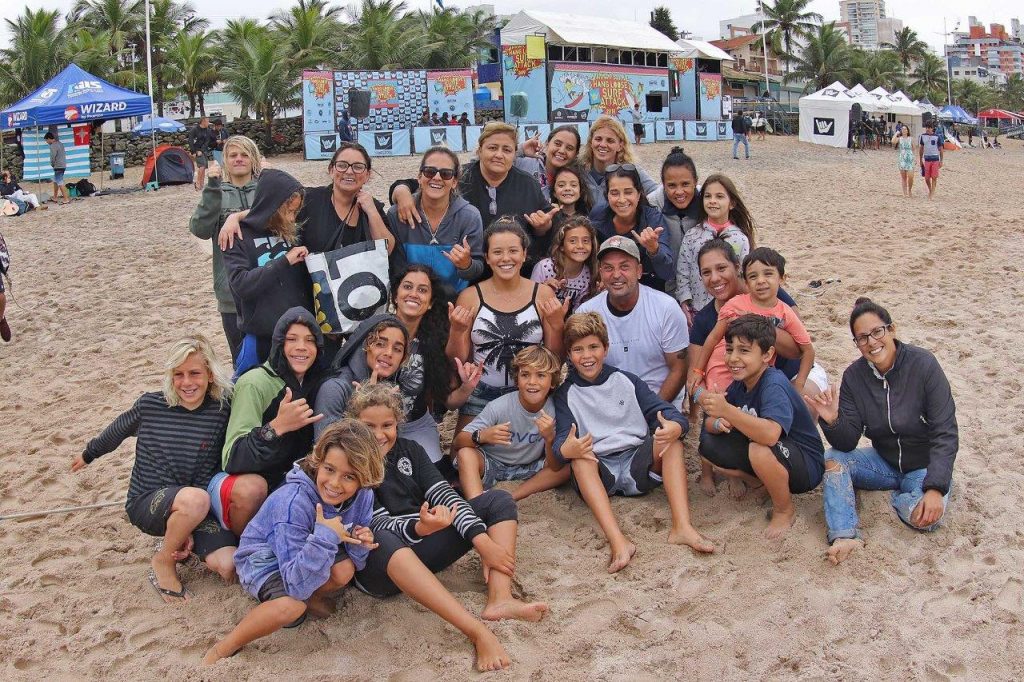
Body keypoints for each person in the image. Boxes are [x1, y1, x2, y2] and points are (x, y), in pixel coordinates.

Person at [351, 383, 544, 672]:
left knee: (498, 500)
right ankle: (476, 631)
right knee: (382, 537)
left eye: (387, 425)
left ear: (398, 423)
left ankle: (500, 598)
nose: (379, 435)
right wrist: (420, 526)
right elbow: (375, 521)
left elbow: (446, 496)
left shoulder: (410, 450)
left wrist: (482, 541)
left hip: (421, 543)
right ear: (355, 425)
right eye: (369, 426)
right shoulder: (351, 461)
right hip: (379, 568)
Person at [72, 336, 238, 601]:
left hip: (198, 507)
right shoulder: (151, 404)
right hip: (149, 500)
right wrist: (89, 453)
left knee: (229, 566)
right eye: (178, 374)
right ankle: (164, 560)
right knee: (195, 499)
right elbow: (117, 430)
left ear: (209, 374)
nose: (186, 383)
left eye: (194, 373)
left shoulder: (221, 409)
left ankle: (182, 534)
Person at [203, 420, 381, 663]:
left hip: (308, 548)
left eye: (349, 476)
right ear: (318, 462)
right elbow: (295, 585)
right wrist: (327, 537)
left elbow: (358, 562)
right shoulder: (292, 502)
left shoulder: (364, 495)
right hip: (264, 559)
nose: (335, 483)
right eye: (329, 469)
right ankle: (224, 647)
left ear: (364, 477)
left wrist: (360, 540)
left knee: (345, 570)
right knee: (291, 608)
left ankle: (311, 597)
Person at [554, 312, 713, 573]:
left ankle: (682, 526)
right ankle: (618, 541)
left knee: (672, 442)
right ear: (569, 355)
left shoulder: (627, 381)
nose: (587, 356)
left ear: (605, 348)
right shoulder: (565, 394)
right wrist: (566, 448)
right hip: (599, 471)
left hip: (637, 464)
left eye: (593, 347)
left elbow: (664, 412)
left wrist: (676, 425)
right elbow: (561, 442)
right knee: (580, 460)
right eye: (578, 350)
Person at [804, 298, 958, 566]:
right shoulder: (854, 376)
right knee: (833, 457)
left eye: (877, 332)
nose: (872, 342)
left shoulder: (923, 365)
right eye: (862, 338)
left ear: (892, 329)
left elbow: (946, 432)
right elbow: (848, 440)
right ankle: (844, 534)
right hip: (883, 462)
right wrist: (832, 420)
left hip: (924, 466)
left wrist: (935, 488)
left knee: (925, 519)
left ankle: (902, 498)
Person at [446, 219, 568, 457]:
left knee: (545, 455)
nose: (506, 258)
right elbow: (458, 361)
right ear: (488, 257)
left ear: (524, 255)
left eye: (513, 251)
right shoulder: (470, 296)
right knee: (458, 456)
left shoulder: (542, 293)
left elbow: (555, 359)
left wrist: (555, 323)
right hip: (482, 392)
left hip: (529, 393)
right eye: (497, 252)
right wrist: (458, 331)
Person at [697, 315, 825, 539]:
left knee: (759, 447)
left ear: (767, 355)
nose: (733, 358)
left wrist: (728, 411)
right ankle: (761, 482)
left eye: (744, 351)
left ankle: (784, 510)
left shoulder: (773, 383)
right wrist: (718, 419)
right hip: (775, 453)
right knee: (708, 445)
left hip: (805, 464)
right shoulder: (741, 383)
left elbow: (770, 434)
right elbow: (708, 425)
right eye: (729, 349)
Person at [213, 307, 327, 535]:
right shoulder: (255, 383)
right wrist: (277, 427)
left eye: (309, 340)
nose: (301, 347)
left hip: (288, 482)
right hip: (243, 485)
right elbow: (232, 459)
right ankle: (243, 542)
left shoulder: (317, 382)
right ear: (278, 345)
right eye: (291, 339)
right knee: (252, 489)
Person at [390, 122, 553, 272]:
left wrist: (543, 226)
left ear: (514, 155)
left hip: (515, 271)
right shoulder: (460, 176)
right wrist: (401, 191)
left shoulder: (528, 184)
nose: (499, 155)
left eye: (507, 150)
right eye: (492, 148)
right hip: (469, 275)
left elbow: (546, 222)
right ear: (479, 150)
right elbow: (424, 182)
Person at [688, 247, 820, 399]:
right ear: (746, 281)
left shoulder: (785, 311)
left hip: (759, 377)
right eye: (753, 276)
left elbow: (806, 350)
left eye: (768, 274)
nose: (761, 281)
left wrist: (798, 385)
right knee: (725, 413)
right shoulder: (733, 306)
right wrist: (698, 372)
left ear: (782, 279)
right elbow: (712, 339)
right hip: (723, 372)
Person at [577, 236, 688, 409]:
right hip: (609, 406)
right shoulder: (586, 313)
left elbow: (679, 369)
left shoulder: (665, 308)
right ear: (600, 272)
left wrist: (653, 410)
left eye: (624, 266)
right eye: (608, 268)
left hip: (660, 401)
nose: (616, 275)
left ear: (639, 271)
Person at [222, 169, 312, 372]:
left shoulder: (291, 230)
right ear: (272, 206)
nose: (291, 218)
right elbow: (241, 284)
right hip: (260, 337)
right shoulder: (236, 236)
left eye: (295, 212)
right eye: (287, 211)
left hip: (297, 334)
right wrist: (284, 261)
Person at [455, 345, 570, 500]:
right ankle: (477, 503)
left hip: (530, 467)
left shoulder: (554, 410)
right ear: (517, 380)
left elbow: (554, 466)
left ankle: (513, 496)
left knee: (567, 467)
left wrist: (549, 439)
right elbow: (458, 442)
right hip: (492, 464)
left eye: (541, 375)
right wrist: (482, 436)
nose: (532, 382)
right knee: (465, 454)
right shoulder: (499, 406)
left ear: (553, 382)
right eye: (525, 375)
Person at [391, 265, 480, 465]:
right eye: (407, 287)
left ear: (430, 303)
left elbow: (449, 401)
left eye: (422, 290)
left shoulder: (433, 344)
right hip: (375, 426)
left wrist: (467, 387)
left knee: (434, 476)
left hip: (416, 425)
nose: (414, 294)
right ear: (395, 296)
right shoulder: (374, 332)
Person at [189, 135, 262, 364]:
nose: (239, 159)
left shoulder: (265, 189)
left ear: (254, 159)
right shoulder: (216, 192)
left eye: (244, 154)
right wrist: (211, 189)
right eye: (233, 155)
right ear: (225, 161)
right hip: (231, 293)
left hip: (268, 289)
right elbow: (199, 228)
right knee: (242, 360)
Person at [386, 146, 483, 293]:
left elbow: (477, 269)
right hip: (411, 299)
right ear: (419, 177)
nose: (437, 177)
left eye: (446, 173)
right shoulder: (397, 214)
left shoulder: (469, 216)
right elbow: (395, 268)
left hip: (453, 301)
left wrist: (466, 265)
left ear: (455, 182)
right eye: (430, 171)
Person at [675, 174, 756, 321]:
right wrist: (684, 300)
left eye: (719, 196)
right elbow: (683, 271)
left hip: (731, 309)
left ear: (732, 203)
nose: (712, 201)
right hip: (697, 309)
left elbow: (744, 275)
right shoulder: (692, 236)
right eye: (708, 196)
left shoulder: (739, 238)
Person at [589, 164, 674, 293]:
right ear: (607, 196)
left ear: (639, 194)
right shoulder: (597, 218)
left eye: (628, 192)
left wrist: (654, 250)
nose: (622, 200)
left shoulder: (652, 219)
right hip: (609, 286)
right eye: (614, 193)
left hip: (647, 288)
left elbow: (667, 272)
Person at [647, 147, 701, 301]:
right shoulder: (652, 205)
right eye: (671, 186)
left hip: (703, 285)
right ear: (663, 184)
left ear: (695, 181)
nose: (679, 192)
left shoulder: (707, 201)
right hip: (665, 286)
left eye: (685, 184)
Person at [578, 116, 659, 207]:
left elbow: (657, 194)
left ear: (620, 146)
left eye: (610, 141)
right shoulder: (579, 171)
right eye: (598, 139)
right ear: (590, 142)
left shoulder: (630, 171)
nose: (603, 144)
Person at [530, 215, 598, 314]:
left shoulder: (588, 274)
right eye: (572, 241)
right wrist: (543, 289)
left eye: (585, 241)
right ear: (561, 246)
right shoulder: (544, 267)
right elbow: (530, 303)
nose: (580, 246)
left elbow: (580, 313)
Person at [515, 125, 582, 202]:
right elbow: (500, 163)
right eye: (557, 144)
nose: (562, 151)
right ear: (547, 143)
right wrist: (521, 149)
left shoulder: (579, 178)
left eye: (569, 148)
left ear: (576, 154)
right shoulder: (524, 163)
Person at [189, 116, 216, 190]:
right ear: (203, 122)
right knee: (202, 166)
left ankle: (201, 184)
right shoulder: (194, 130)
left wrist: (202, 150)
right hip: (196, 150)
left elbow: (207, 142)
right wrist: (194, 151)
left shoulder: (208, 130)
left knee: (204, 167)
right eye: (207, 121)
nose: (208, 123)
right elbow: (191, 141)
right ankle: (197, 183)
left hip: (203, 150)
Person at [918, 122, 944, 200]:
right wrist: (920, 159)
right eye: (927, 127)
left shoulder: (937, 137)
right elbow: (921, 148)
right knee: (926, 178)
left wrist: (941, 160)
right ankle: (930, 190)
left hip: (935, 159)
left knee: (934, 177)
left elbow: (941, 149)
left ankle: (932, 193)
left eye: (929, 128)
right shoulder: (923, 136)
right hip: (927, 159)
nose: (928, 129)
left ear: (932, 128)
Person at [43, 131, 69, 205]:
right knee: (55, 181)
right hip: (63, 165)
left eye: (46, 140)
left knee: (60, 182)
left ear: (49, 139)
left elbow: (52, 157)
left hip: (58, 166)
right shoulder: (60, 143)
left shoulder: (53, 146)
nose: (46, 142)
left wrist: (52, 164)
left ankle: (66, 199)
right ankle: (55, 197)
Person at [893, 124, 916, 198]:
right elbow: (893, 141)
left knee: (910, 176)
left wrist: (914, 158)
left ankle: (909, 190)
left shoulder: (911, 138)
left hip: (909, 158)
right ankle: (905, 193)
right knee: (903, 177)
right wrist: (896, 133)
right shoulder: (899, 139)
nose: (904, 130)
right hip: (902, 158)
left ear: (907, 130)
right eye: (902, 129)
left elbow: (914, 149)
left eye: (905, 129)